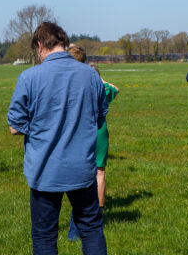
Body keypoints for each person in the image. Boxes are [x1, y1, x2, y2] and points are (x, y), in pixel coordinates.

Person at [8, 22, 108, 255]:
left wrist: (41, 128)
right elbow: (100, 116)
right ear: (64, 43)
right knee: (91, 230)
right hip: (82, 168)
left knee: (44, 237)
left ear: (40, 46)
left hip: (45, 170)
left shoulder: (28, 77)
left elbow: (15, 126)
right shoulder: (90, 75)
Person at [65, 46, 120, 241]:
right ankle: (98, 211)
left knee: (79, 178)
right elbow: (115, 89)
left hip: (78, 133)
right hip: (99, 130)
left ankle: (76, 228)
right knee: (99, 173)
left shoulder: (70, 84)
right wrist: (100, 79)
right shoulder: (100, 87)